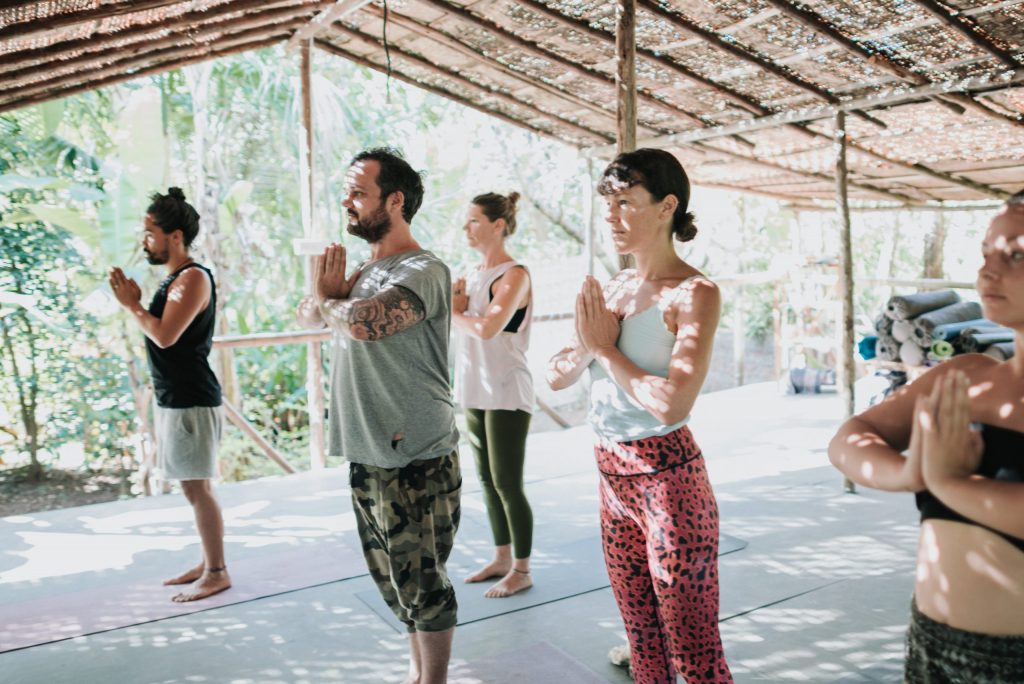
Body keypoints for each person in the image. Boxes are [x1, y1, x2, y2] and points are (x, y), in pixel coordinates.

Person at [547, 148, 733, 683]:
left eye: (626, 202)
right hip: (611, 477)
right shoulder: (615, 286)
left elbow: (674, 402)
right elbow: (557, 377)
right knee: (643, 641)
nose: (612, 216)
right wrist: (585, 346)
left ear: (666, 207)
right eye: (608, 204)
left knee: (692, 647)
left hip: (670, 483)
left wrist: (605, 351)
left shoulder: (696, 293)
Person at [828, 191, 1024, 682]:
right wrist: (908, 471)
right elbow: (852, 437)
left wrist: (953, 484)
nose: (987, 272)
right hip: (932, 647)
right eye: (986, 253)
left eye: (1017, 255)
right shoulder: (967, 376)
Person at [295, 148, 460, 684]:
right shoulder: (367, 269)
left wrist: (330, 303)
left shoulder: (423, 268)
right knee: (395, 583)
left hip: (414, 453)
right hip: (370, 452)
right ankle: (418, 676)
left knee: (423, 583)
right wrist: (328, 300)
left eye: (359, 192)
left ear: (395, 200)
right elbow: (308, 313)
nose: (348, 201)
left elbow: (367, 323)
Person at [108, 188, 229, 603]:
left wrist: (132, 306)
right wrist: (138, 304)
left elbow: (164, 335)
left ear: (175, 236)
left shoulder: (193, 278)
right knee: (192, 488)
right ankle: (208, 560)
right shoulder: (177, 280)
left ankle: (217, 571)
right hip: (176, 398)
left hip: (191, 398)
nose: (145, 241)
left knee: (199, 489)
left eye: (149, 233)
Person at [451, 191, 535, 598]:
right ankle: (501, 557)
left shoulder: (515, 274)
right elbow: (472, 322)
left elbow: (487, 328)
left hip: (506, 388)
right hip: (474, 386)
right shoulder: (473, 272)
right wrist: (460, 309)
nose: (466, 228)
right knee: (485, 479)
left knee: (507, 481)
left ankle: (522, 568)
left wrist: (455, 311)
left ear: (497, 225)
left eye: (473, 221)